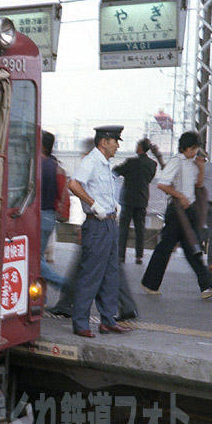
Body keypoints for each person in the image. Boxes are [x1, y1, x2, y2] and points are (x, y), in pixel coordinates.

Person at [66, 125, 131, 338]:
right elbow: (74, 184)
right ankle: (81, 322)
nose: (118, 145)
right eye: (115, 141)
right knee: (91, 274)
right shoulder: (91, 162)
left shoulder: (105, 165)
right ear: (104, 142)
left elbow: (102, 190)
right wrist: (93, 204)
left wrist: (113, 204)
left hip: (110, 223)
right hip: (97, 224)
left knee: (111, 274)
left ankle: (108, 320)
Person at [141, 132, 212, 298]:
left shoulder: (192, 162)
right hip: (177, 211)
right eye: (194, 148)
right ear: (187, 148)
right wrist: (180, 195)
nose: (196, 152)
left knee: (192, 247)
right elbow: (162, 184)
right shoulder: (176, 161)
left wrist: (201, 167)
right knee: (168, 248)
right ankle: (150, 283)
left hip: (189, 210)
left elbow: (199, 184)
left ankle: (207, 285)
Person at [113, 138, 158, 264]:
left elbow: (116, 171)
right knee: (140, 229)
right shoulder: (152, 164)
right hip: (142, 199)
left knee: (123, 229)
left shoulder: (131, 162)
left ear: (140, 148)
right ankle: (139, 256)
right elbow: (149, 179)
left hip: (127, 199)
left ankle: (121, 255)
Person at [39, 131, 65, 288]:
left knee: (34, 259)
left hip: (38, 217)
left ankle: (64, 284)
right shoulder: (54, 165)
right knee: (38, 258)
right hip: (50, 216)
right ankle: (42, 298)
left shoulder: (37, 164)